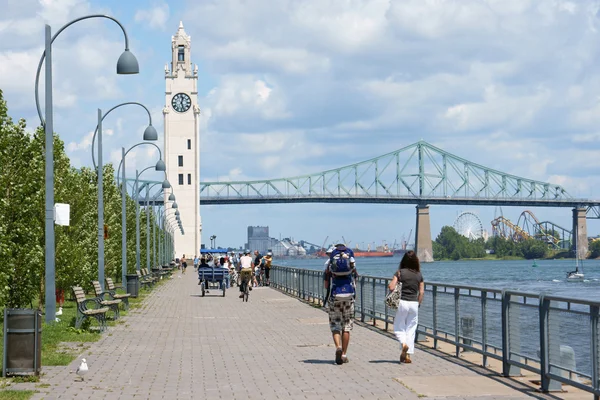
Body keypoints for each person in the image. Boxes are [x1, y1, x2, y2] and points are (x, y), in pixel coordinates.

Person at [388, 250, 424, 364]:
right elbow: (421, 292)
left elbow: (391, 287)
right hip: (414, 303)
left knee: (399, 327)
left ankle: (404, 345)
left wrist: (396, 282)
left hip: (402, 302)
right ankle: (407, 356)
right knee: (411, 330)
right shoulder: (419, 275)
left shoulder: (399, 273)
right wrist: (418, 303)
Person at [323, 243, 357, 365]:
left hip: (335, 296)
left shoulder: (329, 264)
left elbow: (326, 285)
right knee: (346, 327)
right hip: (349, 296)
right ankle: (344, 354)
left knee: (335, 325)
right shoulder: (350, 260)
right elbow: (355, 279)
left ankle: (338, 347)